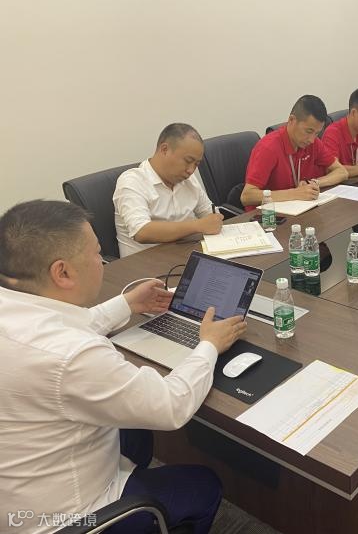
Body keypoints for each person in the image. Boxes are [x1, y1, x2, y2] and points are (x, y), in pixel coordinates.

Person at [0, 200, 248, 534]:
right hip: (66, 520)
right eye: (96, 253)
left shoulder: (16, 308)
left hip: (16, 496)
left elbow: (60, 326)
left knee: (135, 433)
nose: (101, 261)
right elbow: (171, 406)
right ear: (63, 273)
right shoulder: (74, 355)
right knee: (203, 484)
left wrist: (127, 304)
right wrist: (209, 344)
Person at [113, 123, 224, 258]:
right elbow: (141, 231)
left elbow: (210, 214)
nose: (191, 170)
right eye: (188, 161)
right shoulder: (132, 181)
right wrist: (197, 225)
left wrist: (214, 220)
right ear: (164, 149)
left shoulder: (189, 180)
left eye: (196, 164)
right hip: (146, 264)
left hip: (185, 255)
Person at [240, 95, 349, 208]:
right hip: (268, 214)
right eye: (308, 131)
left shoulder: (313, 143)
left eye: (317, 133)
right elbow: (247, 196)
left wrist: (314, 183)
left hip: (297, 209)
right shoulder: (269, 147)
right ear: (292, 120)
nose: (312, 140)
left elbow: (342, 172)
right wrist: (294, 193)